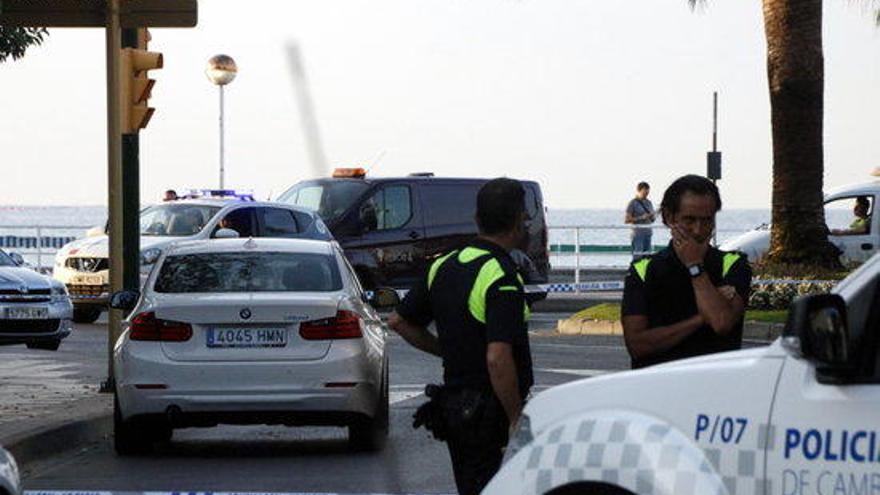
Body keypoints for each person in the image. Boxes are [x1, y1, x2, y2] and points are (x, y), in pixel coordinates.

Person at [388, 178, 533, 495]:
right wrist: (515, 417)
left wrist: (449, 350)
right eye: (526, 216)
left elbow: (399, 321)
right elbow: (497, 358)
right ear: (518, 221)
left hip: (454, 408)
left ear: (477, 219)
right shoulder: (500, 273)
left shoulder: (443, 264)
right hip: (489, 412)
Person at [621, 174, 751, 369]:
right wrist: (700, 319)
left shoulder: (732, 264)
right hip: (655, 389)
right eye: (689, 220)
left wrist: (695, 267)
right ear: (669, 217)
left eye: (707, 221)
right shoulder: (643, 270)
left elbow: (721, 322)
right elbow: (638, 345)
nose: (698, 231)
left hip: (716, 388)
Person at [625, 182, 656, 260]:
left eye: (648, 192)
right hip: (638, 234)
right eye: (645, 192)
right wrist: (641, 218)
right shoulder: (632, 203)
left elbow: (652, 220)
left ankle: (644, 272)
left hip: (648, 233)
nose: (646, 194)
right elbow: (627, 220)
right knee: (637, 256)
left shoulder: (649, 203)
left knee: (647, 257)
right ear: (639, 190)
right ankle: (635, 272)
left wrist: (652, 216)